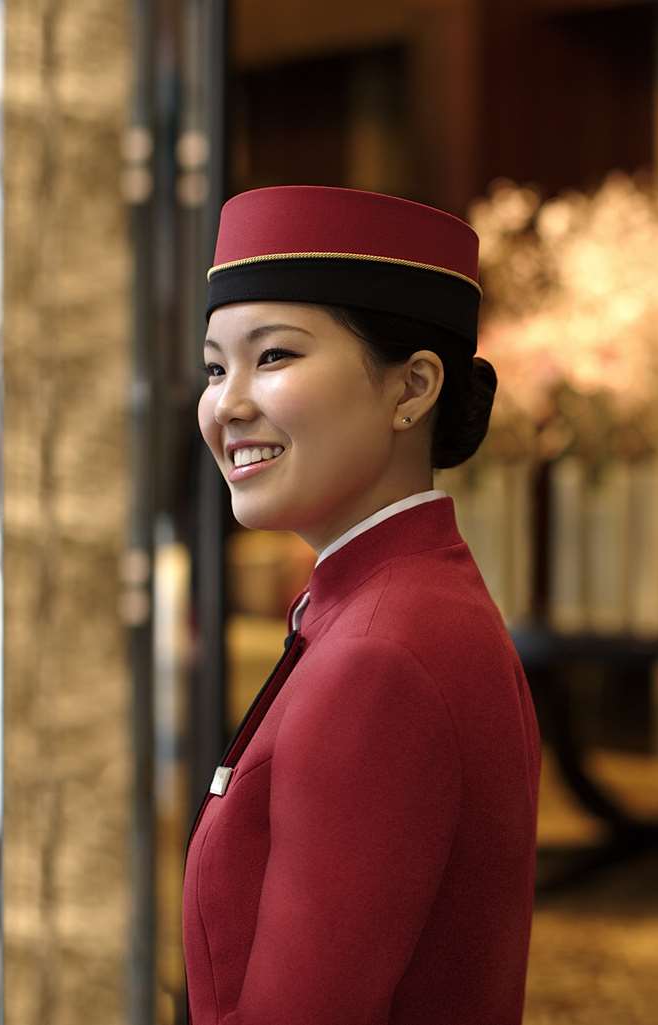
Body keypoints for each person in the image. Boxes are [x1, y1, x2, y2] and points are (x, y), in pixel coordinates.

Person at [184, 184, 542, 1025]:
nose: (228, 404)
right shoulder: (397, 601)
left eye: (274, 356)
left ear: (411, 387)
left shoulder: (378, 655)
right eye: (216, 367)